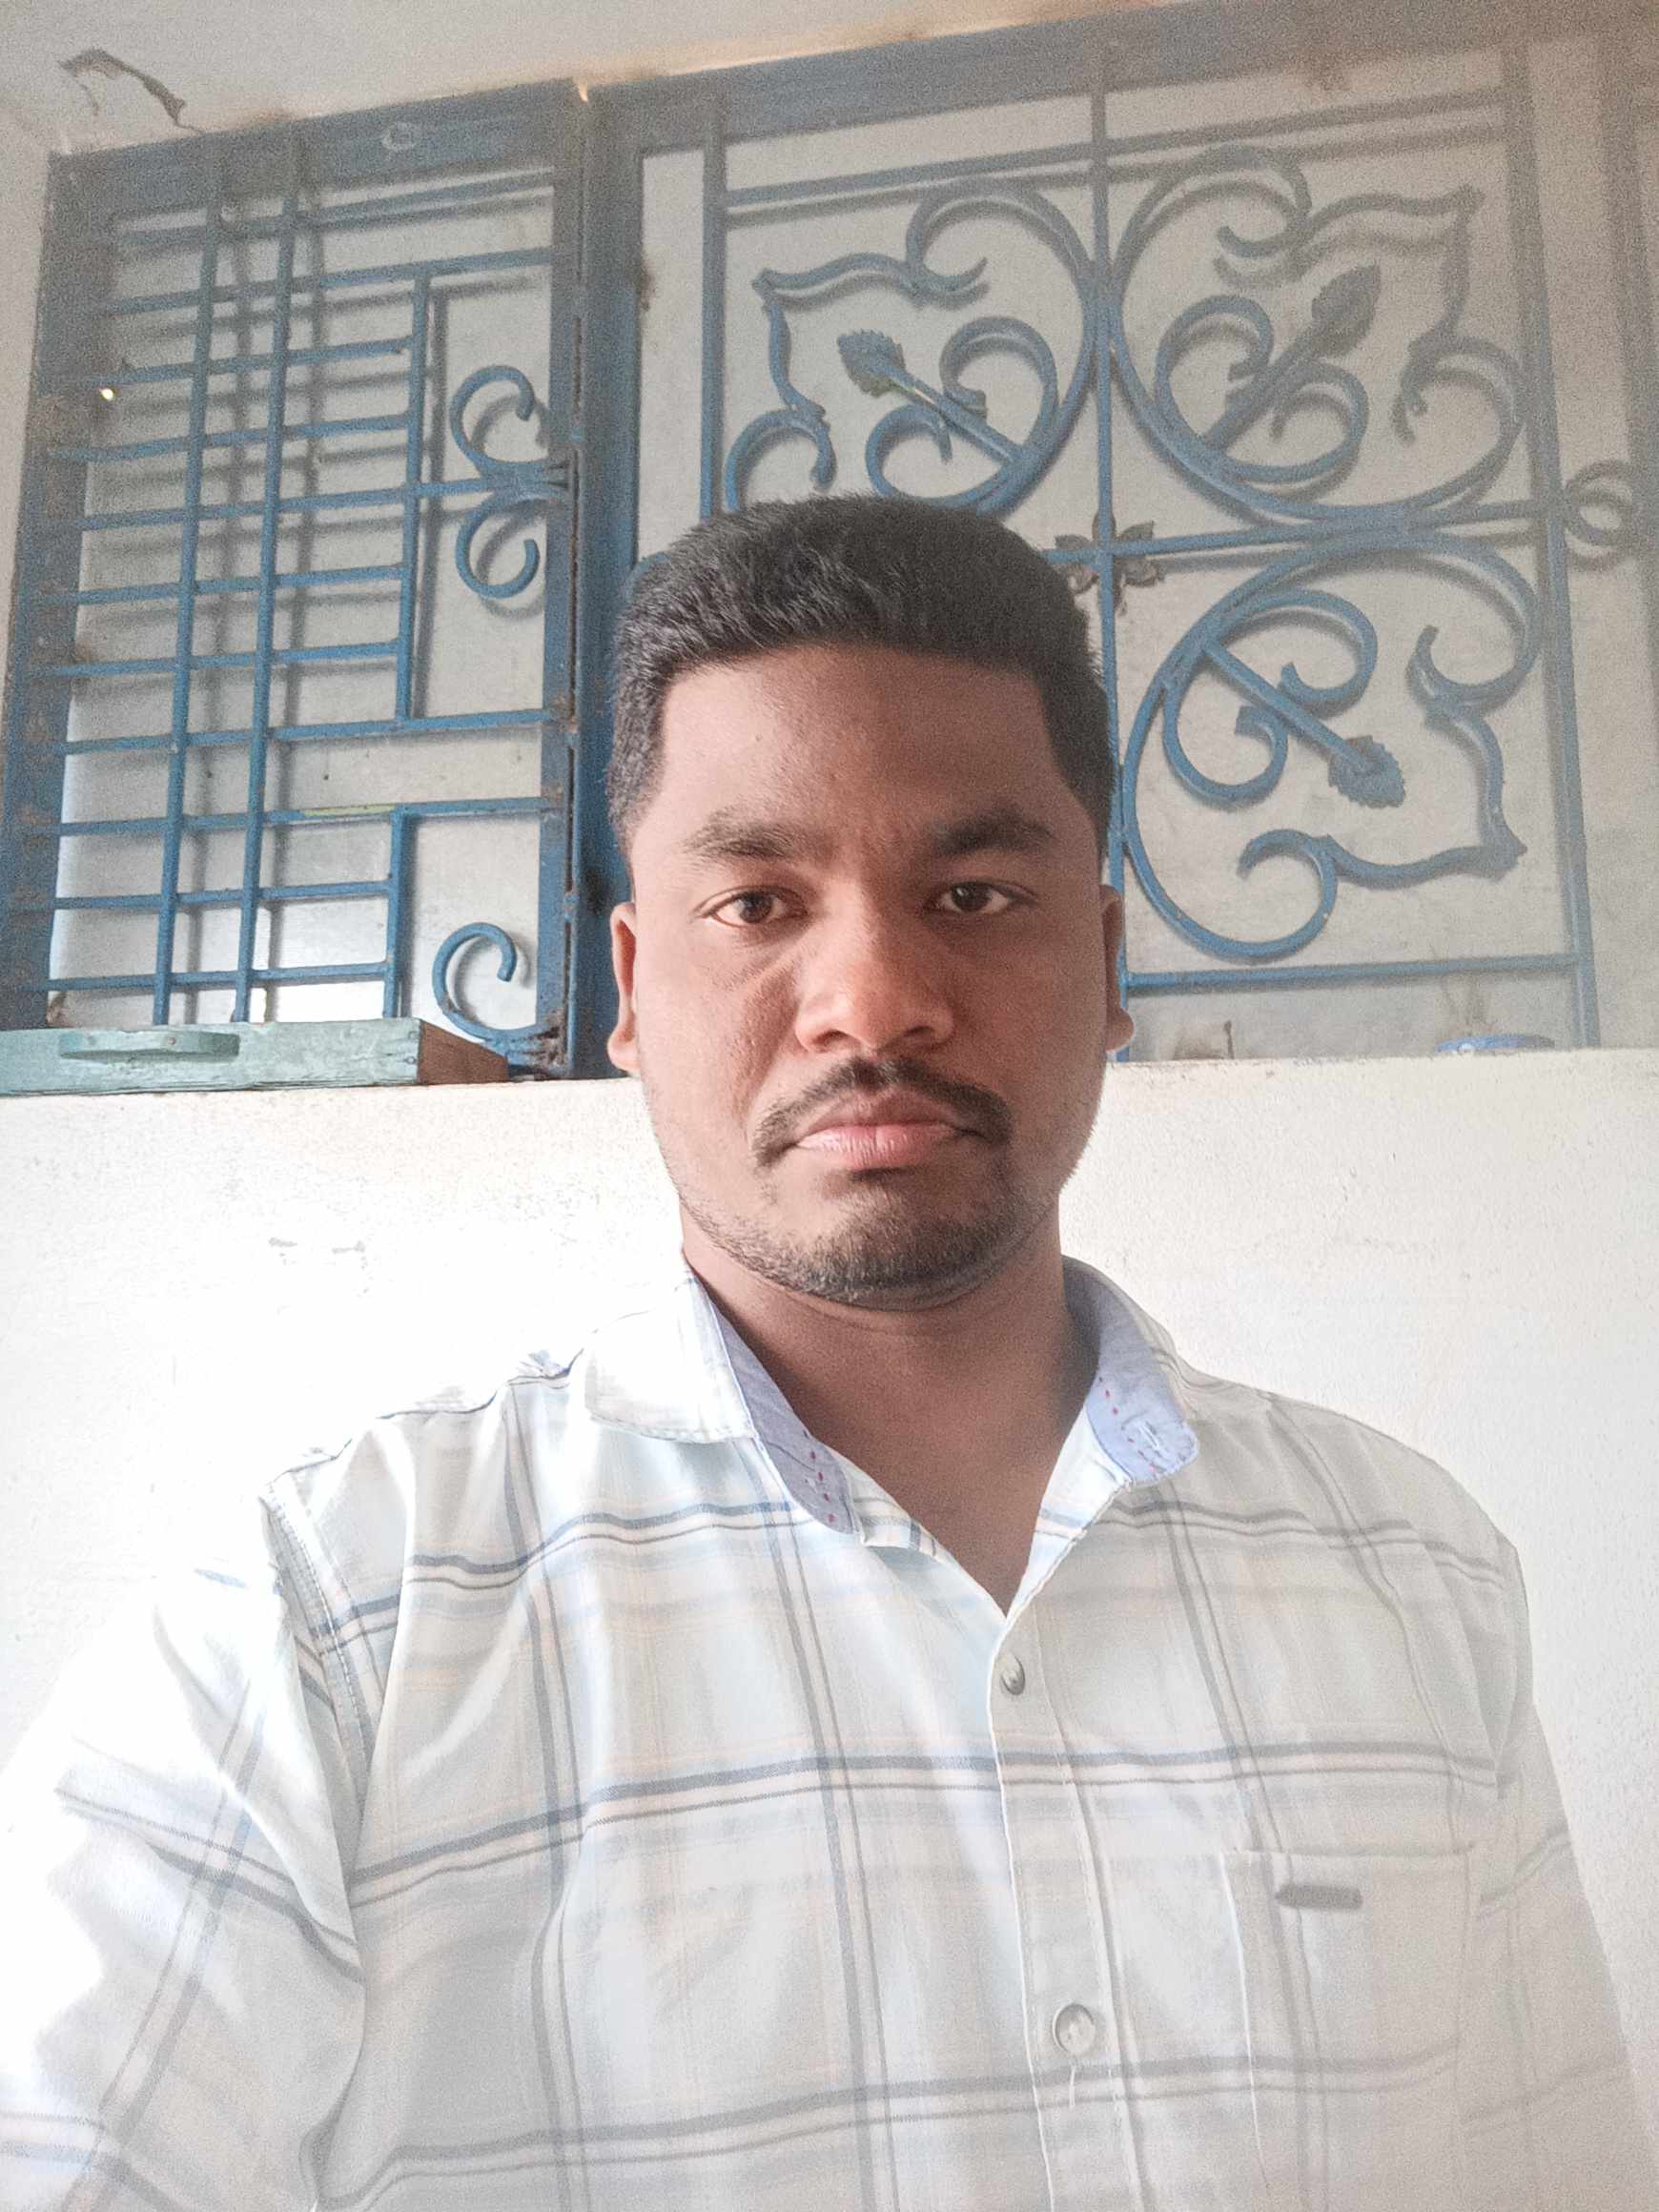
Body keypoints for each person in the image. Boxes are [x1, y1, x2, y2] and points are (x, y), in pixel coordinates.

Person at [1, 495, 1652, 2212]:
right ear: (631, 989)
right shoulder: (326, 1626)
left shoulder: (1414, 1571)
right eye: (757, 902)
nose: (871, 999)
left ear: (1103, 964)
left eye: (974, 891)